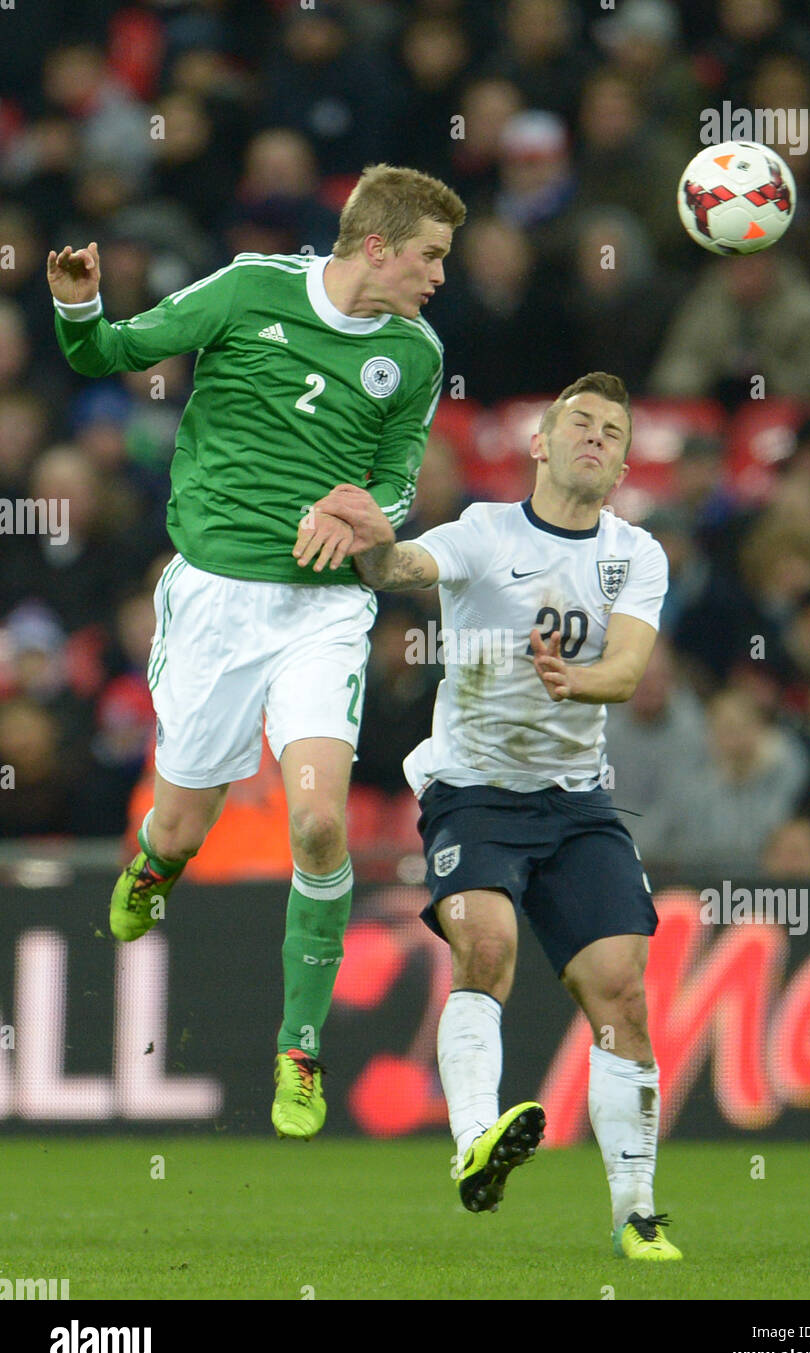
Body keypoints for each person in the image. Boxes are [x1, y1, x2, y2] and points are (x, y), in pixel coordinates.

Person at [48, 163, 466, 1141]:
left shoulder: (414, 355)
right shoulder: (248, 289)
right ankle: (153, 865)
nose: (440, 276)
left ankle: (300, 1047)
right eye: (431, 256)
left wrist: (368, 514)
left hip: (322, 614)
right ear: (376, 246)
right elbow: (108, 351)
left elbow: (396, 491)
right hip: (215, 606)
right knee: (185, 823)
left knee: (319, 825)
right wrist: (80, 308)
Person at [316, 372, 681, 1260]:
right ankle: (475, 1141)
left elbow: (628, 672)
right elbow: (404, 567)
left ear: (625, 461)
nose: (595, 438)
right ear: (540, 444)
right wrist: (372, 540)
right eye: (579, 424)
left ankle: (636, 1213)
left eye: (611, 431)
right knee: (486, 947)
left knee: (623, 996)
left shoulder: (637, 553)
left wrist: (574, 679)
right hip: (473, 789)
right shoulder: (485, 532)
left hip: (576, 802)